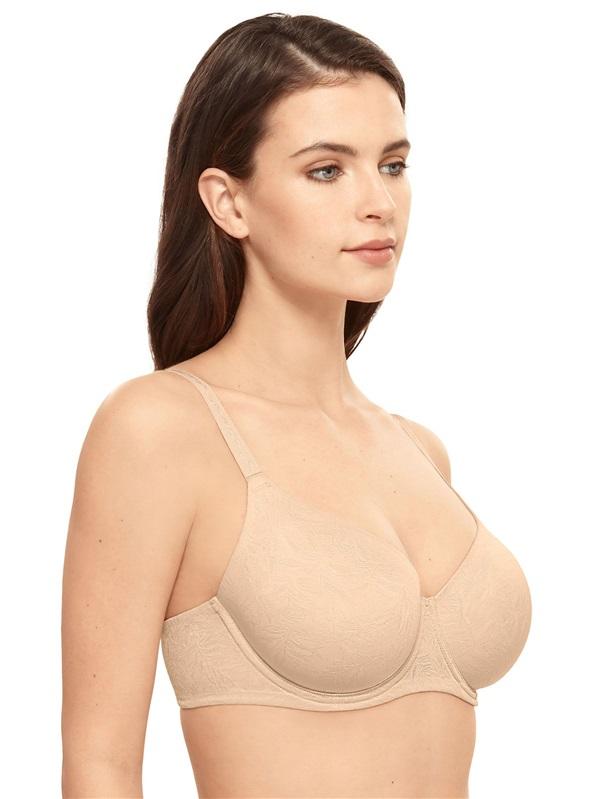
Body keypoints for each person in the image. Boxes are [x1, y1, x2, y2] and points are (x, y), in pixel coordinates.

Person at [61, 12, 532, 798]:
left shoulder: (420, 450)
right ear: (228, 202)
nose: (378, 201)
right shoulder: (160, 430)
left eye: (393, 164)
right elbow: (100, 764)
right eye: (326, 170)